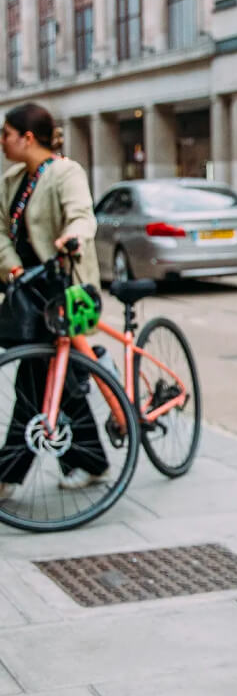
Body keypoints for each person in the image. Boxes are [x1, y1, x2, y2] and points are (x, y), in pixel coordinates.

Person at [0, 102, 107, 494]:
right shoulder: (12, 180)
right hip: (27, 290)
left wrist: (72, 236)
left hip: (64, 290)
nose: (1, 142)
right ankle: (89, 459)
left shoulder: (65, 172)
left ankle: (7, 475)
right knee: (52, 377)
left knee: (37, 380)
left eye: (6, 134)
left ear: (27, 137)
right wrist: (11, 266)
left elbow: (82, 214)